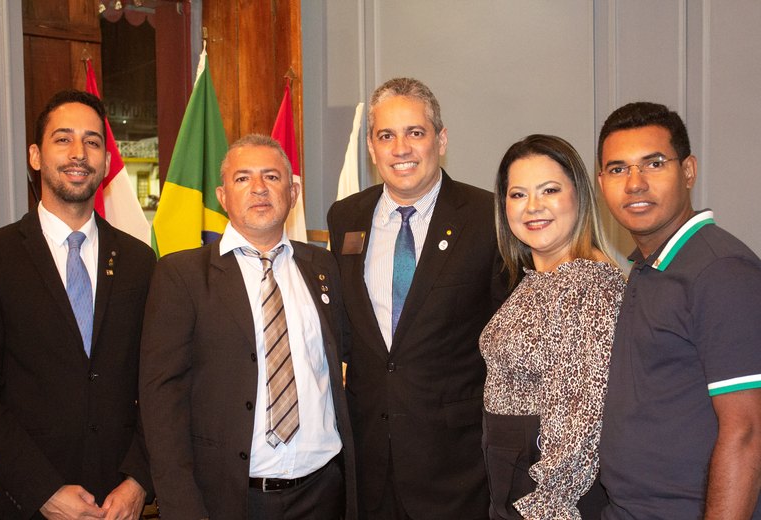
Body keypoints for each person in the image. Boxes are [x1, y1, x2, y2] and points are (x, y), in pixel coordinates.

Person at [0, 90, 155, 519]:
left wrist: (138, 480)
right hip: (28, 504)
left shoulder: (140, 261)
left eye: (93, 141)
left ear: (104, 160)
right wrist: (42, 491)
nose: (79, 153)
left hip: (122, 505)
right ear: (35, 155)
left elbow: (157, 385)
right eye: (63, 139)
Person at [139, 134, 356, 520]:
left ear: (292, 192)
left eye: (271, 177)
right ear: (222, 197)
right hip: (231, 499)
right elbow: (161, 401)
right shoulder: (182, 275)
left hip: (324, 493)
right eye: (243, 179)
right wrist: (179, 504)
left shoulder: (323, 268)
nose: (258, 188)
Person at [327, 77, 506, 519]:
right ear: (371, 147)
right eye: (386, 135)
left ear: (440, 140)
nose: (400, 148)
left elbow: (507, 342)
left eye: (415, 133)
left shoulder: (489, 218)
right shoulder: (345, 217)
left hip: (456, 469)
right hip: (369, 464)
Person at [597, 102, 761, 519]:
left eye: (653, 164)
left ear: (688, 171)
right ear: (601, 182)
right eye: (618, 169)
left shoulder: (720, 271)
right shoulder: (648, 265)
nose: (634, 184)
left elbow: (747, 432)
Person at [478, 134, 624, 519]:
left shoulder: (588, 284)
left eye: (549, 190)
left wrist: (546, 504)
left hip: (550, 492)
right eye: (518, 194)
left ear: (579, 195)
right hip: (517, 476)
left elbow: (583, 419)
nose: (533, 207)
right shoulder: (537, 279)